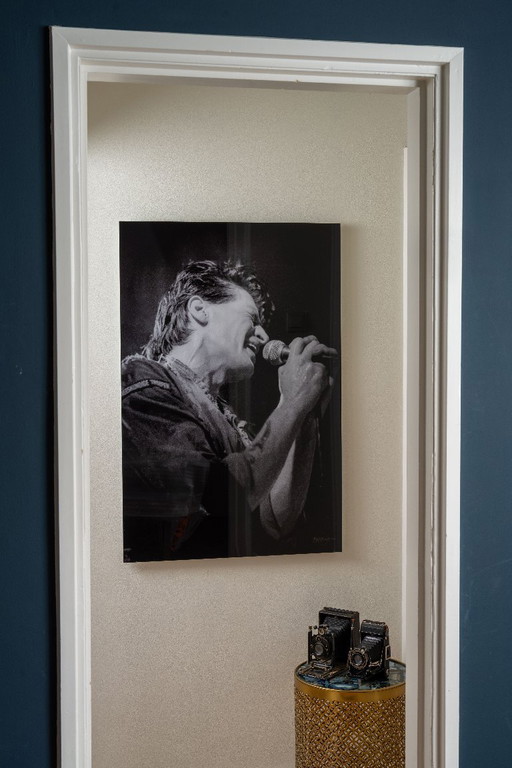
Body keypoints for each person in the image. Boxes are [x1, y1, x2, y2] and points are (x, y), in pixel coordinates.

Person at [121, 259, 337, 561]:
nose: (264, 336)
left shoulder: (228, 419)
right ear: (199, 309)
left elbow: (275, 521)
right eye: (252, 318)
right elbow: (218, 494)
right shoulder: (143, 380)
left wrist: (304, 411)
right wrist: (292, 403)